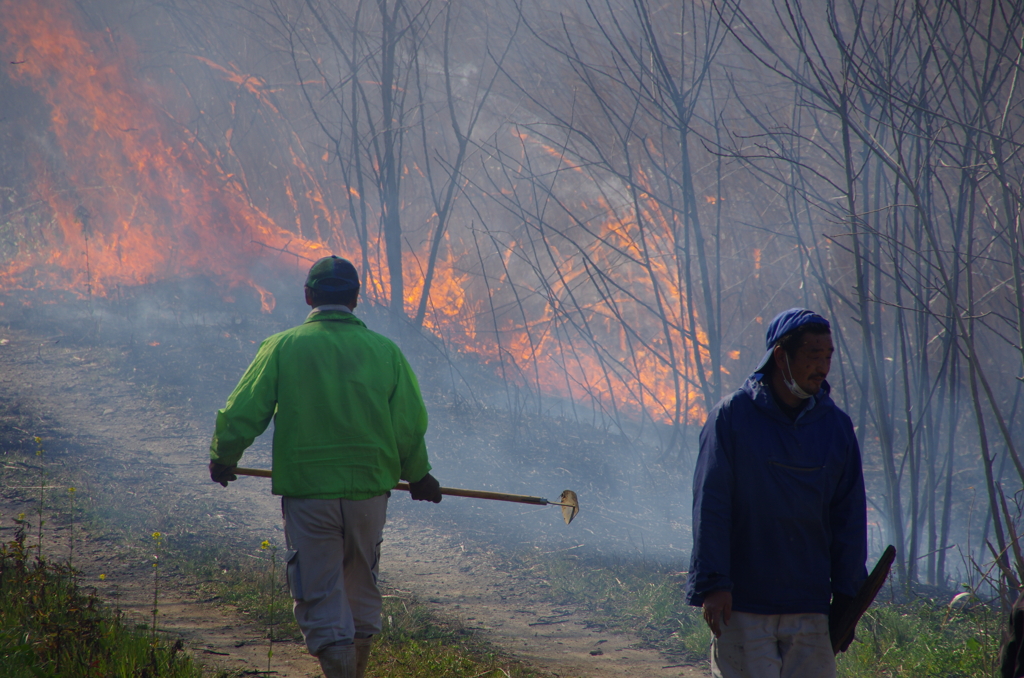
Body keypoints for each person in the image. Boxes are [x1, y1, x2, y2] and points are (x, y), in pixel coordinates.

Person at [207, 255, 443, 678]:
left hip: (309, 492)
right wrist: (419, 474)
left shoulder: (283, 346)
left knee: (319, 590)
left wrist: (225, 457)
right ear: (356, 298)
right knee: (360, 584)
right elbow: (407, 424)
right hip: (370, 493)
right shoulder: (385, 351)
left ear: (308, 296)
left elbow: (243, 412)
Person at [685, 308, 867, 678]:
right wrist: (714, 583)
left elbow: (848, 517)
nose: (822, 367)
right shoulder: (732, 418)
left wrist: (849, 598)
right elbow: (712, 505)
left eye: (828, 357)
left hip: (809, 607)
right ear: (780, 356)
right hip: (744, 606)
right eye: (812, 356)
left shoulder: (836, 428)